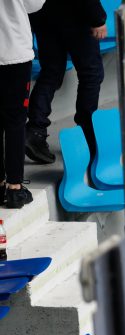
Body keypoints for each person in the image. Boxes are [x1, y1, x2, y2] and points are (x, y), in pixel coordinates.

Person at [25, 0, 107, 166]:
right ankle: (86, 136)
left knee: (51, 72)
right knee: (91, 73)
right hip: (75, 13)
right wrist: (97, 18)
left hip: (43, 14)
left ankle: (35, 131)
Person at [0, 0, 45, 208]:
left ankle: (1, 182)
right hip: (14, 52)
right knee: (15, 121)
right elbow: (34, 4)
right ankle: (15, 187)